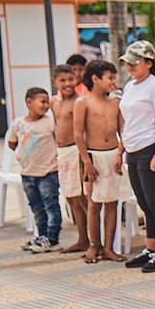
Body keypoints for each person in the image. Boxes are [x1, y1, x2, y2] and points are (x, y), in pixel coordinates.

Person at [117, 42, 155, 273]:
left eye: (135, 61)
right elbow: (127, 122)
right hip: (133, 150)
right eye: (128, 61)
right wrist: (120, 150)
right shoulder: (131, 86)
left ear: (149, 63)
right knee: (144, 203)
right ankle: (151, 248)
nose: (130, 65)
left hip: (150, 149)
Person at [74, 60, 132, 264]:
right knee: (94, 202)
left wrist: (118, 154)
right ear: (95, 79)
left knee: (112, 202)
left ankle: (109, 247)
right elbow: (78, 134)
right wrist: (86, 161)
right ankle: (93, 245)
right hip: (93, 156)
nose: (113, 81)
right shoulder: (83, 103)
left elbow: (122, 131)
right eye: (110, 77)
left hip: (112, 156)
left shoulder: (115, 103)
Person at [9, 87, 61, 253]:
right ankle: (42, 235)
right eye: (42, 102)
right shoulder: (18, 123)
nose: (46, 105)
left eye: (48, 102)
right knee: (36, 207)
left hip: (48, 173)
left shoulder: (49, 122)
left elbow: (58, 140)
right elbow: (12, 142)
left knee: (51, 205)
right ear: (29, 102)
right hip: (28, 175)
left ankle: (53, 238)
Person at [51, 65, 89, 254]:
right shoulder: (54, 102)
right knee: (71, 197)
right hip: (62, 152)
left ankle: (91, 238)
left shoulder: (79, 102)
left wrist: (84, 157)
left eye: (70, 79)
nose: (67, 84)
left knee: (82, 198)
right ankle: (82, 238)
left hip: (76, 152)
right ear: (54, 82)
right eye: (62, 80)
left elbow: (84, 130)